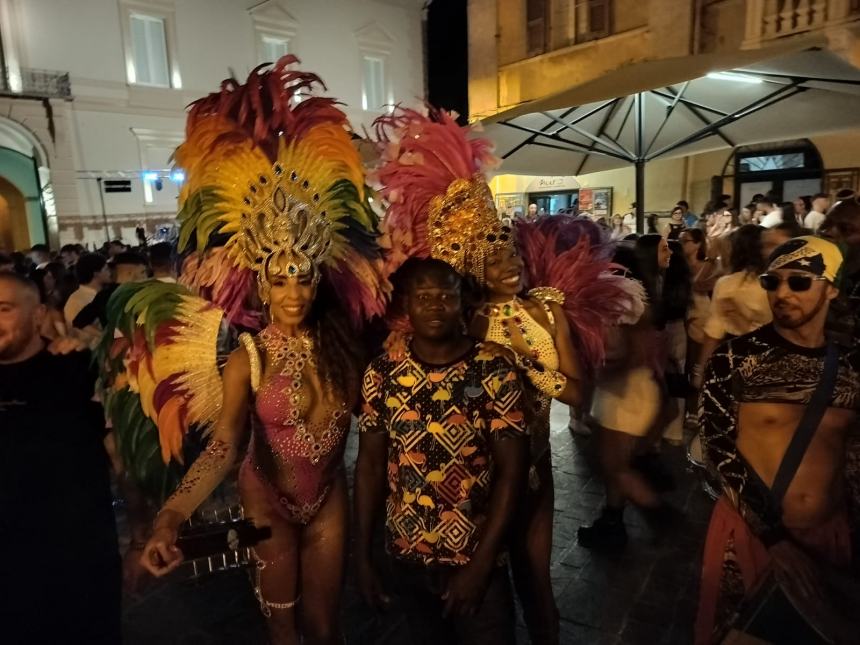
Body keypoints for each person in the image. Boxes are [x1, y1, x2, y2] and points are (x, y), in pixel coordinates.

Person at [138, 59, 384, 645]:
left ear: (319, 279)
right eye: (280, 279)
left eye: (303, 277)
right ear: (261, 285)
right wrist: (172, 515)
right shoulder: (248, 355)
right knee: (285, 632)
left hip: (329, 496)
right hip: (266, 498)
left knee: (327, 629)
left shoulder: (345, 344)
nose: (293, 291)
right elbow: (225, 443)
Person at [355, 258, 528, 645]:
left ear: (462, 301)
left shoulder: (493, 370)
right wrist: (363, 556)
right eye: (424, 296)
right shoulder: (382, 375)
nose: (436, 305)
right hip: (406, 557)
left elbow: (511, 473)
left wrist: (481, 565)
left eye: (446, 295)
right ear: (407, 305)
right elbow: (368, 467)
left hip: (475, 557)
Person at [695, 236, 859, 644]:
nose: (782, 293)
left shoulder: (854, 367)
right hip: (752, 537)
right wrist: (774, 538)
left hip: (828, 539)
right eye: (773, 281)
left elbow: (853, 455)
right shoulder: (735, 359)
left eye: (800, 282)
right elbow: (716, 446)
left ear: (832, 288)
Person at [0, 272, 120, 644]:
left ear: (38, 315)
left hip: (78, 569)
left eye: (3, 309)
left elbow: (119, 453)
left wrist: (141, 538)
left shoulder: (78, 370)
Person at [579, 238, 678, 548]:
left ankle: (665, 520)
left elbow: (617, 350)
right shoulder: (637, 291)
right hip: (637, 388)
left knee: (615, 468)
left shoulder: (612, 294)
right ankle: (612, 522)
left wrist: (588, 365)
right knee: (615, 465)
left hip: (623, 392)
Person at [692, 225, 771, 389]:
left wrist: (701, 372)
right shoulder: (777, 282)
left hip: (738, 356)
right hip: (775, 357)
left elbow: (714, 331)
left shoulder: (729, 284)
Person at [63, 252, 110, 325]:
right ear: (96, 273)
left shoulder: (103, 294)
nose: (109, 272)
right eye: (106, 269)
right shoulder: (77, 300)